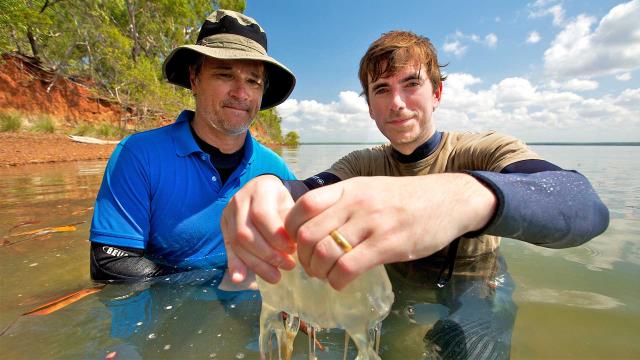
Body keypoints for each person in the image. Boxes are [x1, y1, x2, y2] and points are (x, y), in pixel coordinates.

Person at [221, 30, 610, 291]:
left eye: (412, 84)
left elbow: (582, 203)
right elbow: (304, 190)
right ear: (370, 107)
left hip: (472, 290)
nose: (397, 103)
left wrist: (461, 196)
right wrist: (268, 188)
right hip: (393, 291)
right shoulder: (361, 165)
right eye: (382, 90)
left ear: (437, 92)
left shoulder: (485, 150)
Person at [88, 10, 296, 282]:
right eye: (224, 74)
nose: (240, 92)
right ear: (194, 79)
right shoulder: (139, 155)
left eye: (253, 81)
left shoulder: (275, 169)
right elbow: (109, 262)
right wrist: (206, 284)